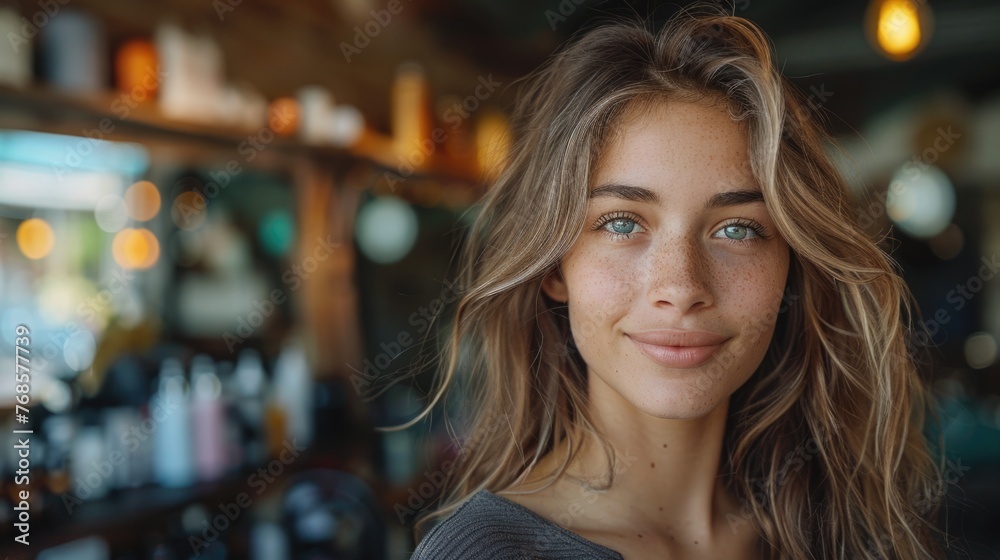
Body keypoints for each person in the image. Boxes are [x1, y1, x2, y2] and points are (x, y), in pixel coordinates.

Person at [402, 2, 947, 558]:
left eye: (737, 229)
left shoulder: (843, 530)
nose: (682, 285)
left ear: (792, 266)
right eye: (620, 223)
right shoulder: (487, 553)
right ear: (553, 267)